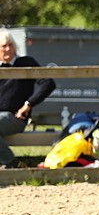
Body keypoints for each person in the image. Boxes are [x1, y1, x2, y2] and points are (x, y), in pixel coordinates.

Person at [0, 29, 57, 169]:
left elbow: (48, 83)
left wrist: (28, 104)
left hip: (15, 117)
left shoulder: (25, 62)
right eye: (3, 46)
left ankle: (12, 163)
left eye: (10, 45)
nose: (7, 49)